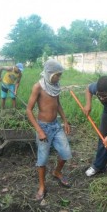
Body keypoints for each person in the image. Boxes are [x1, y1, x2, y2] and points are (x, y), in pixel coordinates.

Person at [26, 59, 72, 201]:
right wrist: (39, 131)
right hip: (44, 127)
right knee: (43, 159)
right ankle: (41, 186)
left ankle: (57, 172)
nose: (59, 78)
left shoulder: (55, 86)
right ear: (49, 73)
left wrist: (64, 120)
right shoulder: (38, 87)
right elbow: (28, 110)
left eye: (60, 75)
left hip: (56, 126)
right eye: (57, 75)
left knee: (66, 154)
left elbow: (57, 104)